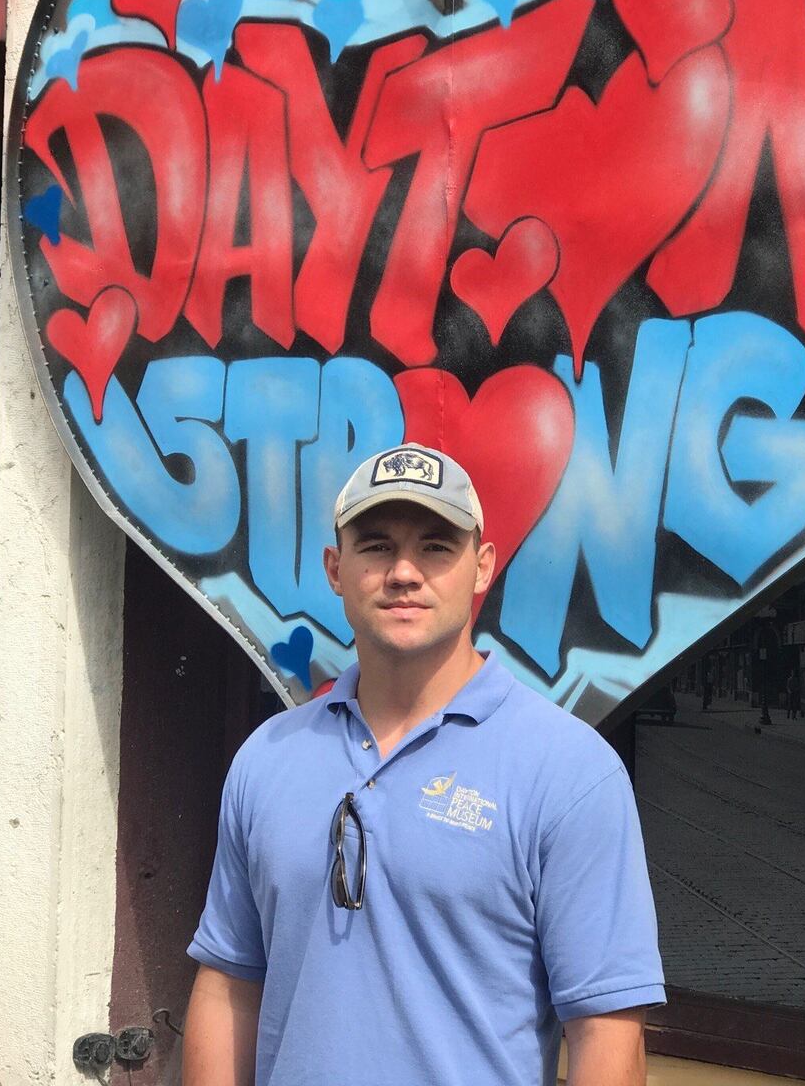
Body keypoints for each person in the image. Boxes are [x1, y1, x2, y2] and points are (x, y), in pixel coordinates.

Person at [182, 443, 666, 1086]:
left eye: (436, 547)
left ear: (482, 567)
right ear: (335, 567)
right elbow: (229, 982)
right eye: (377, 545)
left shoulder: (570, 773)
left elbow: (607, 1033)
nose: (404, 572)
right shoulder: (266, 758)